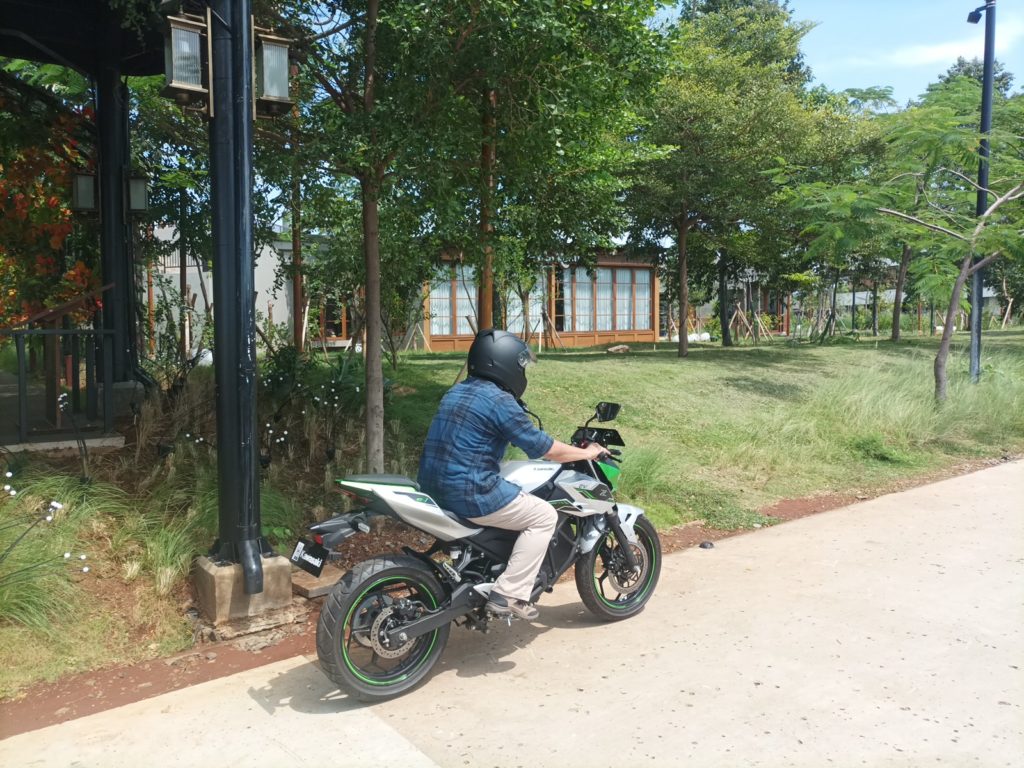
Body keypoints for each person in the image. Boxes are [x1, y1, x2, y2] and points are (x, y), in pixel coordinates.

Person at [417, 328, 607, 620]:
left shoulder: (457, 391)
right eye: (521, 366)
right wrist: (587, 453)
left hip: (432, 487)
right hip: (470, 492)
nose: (522, 372)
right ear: (504, 362)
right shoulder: (499, 401)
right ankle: (509, 595)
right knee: (544, 516)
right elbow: (545, 449)